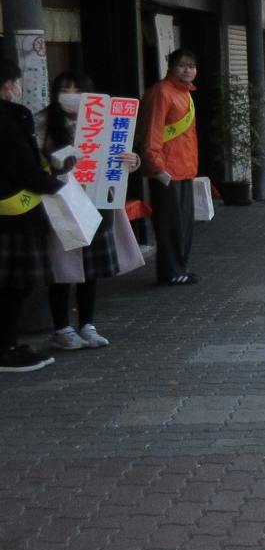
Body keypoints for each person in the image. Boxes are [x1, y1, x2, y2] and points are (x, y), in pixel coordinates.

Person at [35, 72, 143, 350]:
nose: (71, 94)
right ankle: (62, 327)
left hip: (96, 197)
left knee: (90, 265)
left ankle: (87, 324)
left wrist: (132, 160)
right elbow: (33, 161)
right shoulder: (43, 121)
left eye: (77, 89)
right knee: (64, 263)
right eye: (64, 89)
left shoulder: (104, 120)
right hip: (61, 200)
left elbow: (118, 155)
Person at [0, 59, 65, 372]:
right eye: (16, 81)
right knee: (15, 285)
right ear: (8, 85)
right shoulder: (8, 120)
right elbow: (24, 169)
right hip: (16, 219)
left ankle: (8, 343)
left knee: (12, 286)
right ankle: (5, 349)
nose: (18, 88)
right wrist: (59, 188)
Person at [138, 49, 200, 285]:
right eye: (182, 65)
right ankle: (171, 271)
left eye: (192, 66)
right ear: (171, 67)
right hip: (166, 170)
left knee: (184, 224)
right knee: (170, 225)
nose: (188, 70)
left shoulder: (184, 94)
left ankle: (180, 269)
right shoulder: (162, 93)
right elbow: (153, 131)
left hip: (184, 168)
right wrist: (156, 165)